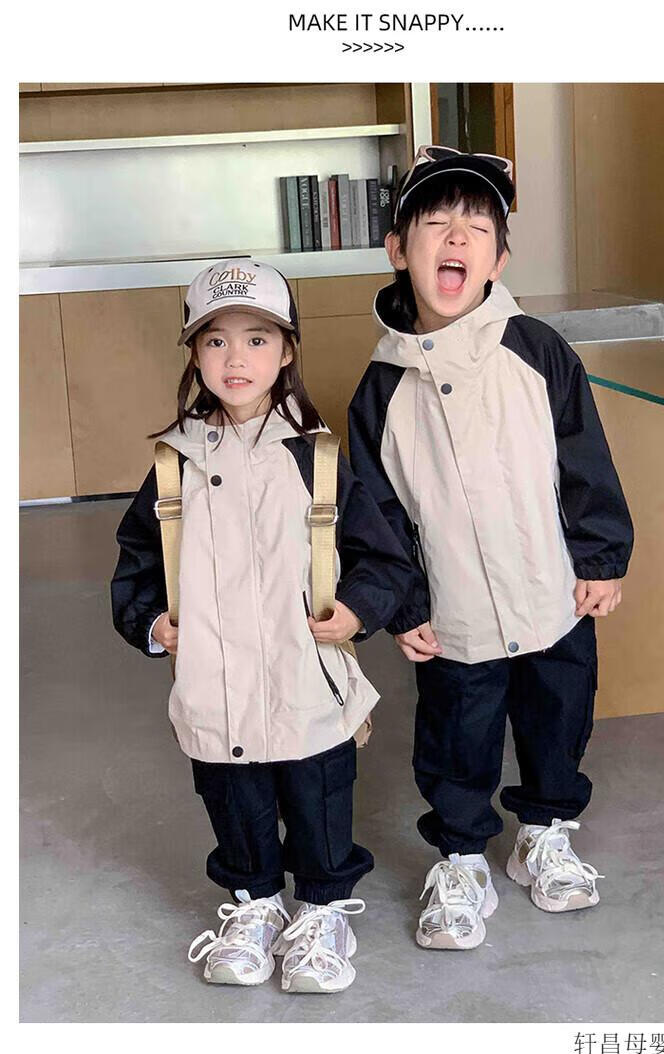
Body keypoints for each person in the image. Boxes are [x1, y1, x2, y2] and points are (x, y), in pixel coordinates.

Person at [348, 147, 634, 950]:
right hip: (457, 611)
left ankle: (544, 831)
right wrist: (401, 602)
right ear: (398, 248)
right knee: (456, 736)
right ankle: (462, 857)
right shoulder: (381, 387)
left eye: (477, 228)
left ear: (499, 259)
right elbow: (374, 511)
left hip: (550, 592)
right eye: (436, 223)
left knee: (558, 717)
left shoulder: (535, 349)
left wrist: (601, 556)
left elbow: (584, 457)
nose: (457, 238)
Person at [111, 258, 412, 991]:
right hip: (216, 686)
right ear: (194, 355)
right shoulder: (174, 465)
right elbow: (137, 564)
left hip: (306, 678)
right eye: (215, 341)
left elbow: (382, 556)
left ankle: (322, 909)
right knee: (233, 800)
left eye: (256, 339)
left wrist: (358, 609)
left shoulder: (319, 458)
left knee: (317, 797)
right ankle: (255, 904)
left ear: (286, 352)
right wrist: (152, 624)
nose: (235, 358)